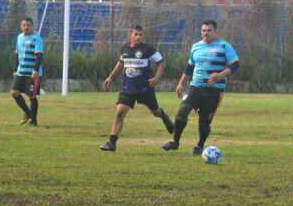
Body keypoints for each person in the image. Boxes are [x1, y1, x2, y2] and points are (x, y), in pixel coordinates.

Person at [162, 19, 239, 155]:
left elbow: (235, 64)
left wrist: (219, 75)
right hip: (195, 88)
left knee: (204, 121)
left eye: (209, 30)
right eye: (203, 30)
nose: (206, 33)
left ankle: (200, 146)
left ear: (215, 31)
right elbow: (190, 66)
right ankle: (175, 142)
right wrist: (181, 83)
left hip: (214, 91)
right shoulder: (196, 46)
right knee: (182, 111)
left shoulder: (224, 45)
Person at [100, 25, 174, 152]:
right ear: (131, 34)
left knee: (155, 112)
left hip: (145, 88)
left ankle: (164, 117)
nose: (139, 37)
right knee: (119, 113)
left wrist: (156, 78)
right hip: (128, 88)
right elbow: (120, 63)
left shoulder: (148, 49)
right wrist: (110, 78)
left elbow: (161, 62)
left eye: (141, 34)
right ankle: (112, 143)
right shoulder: (124, 49)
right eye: (136, 34)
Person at [10, 17, 44, 127]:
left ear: (32, 26)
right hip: (21, 71)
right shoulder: (19, 37)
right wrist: (15, 69)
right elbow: (17, 54)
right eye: (24, 25)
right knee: (14, 92)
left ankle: (34, 121)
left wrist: (35, 70)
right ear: (21, 26)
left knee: (32, 96)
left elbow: (39, 55)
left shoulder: (36, 38)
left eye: (28, 25)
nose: (26, 27)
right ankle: (28, 113)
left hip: (32, 73)